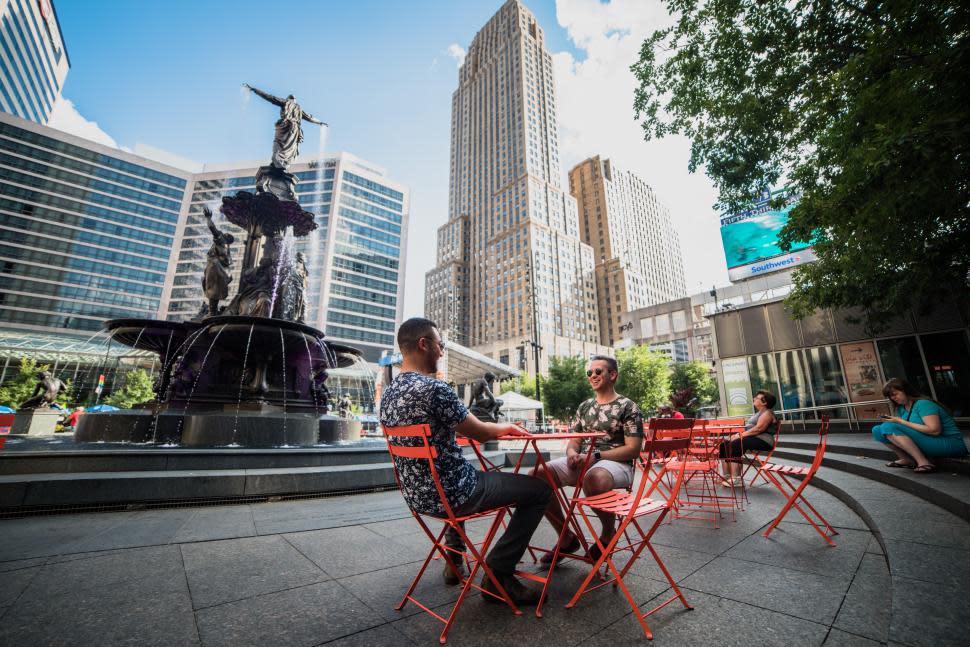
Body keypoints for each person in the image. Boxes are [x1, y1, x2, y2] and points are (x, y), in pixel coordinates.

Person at [380, 318, 551, 605]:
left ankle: (454, 559)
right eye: (440, 345)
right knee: (539, 490)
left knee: (455, 474)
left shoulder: (388, 395)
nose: (442, 352)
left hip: (418, 496)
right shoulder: (435, 389)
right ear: (424, 345)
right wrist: (506, 428)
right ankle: (499, 574)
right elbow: (482, 433)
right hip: (455, 493)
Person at [533, 355, 644, 563]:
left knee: (594, 478)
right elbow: (574, 442)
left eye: (598, 371)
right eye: (589, 372)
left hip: (618, 464)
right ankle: (566, 538)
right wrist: (572, 454)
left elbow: (633, 450)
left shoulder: (629, 406)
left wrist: (595, 456)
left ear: (612, 375)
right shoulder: (584, 407)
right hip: (587, 460)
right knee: (537, 475)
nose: (592, 375)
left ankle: (607, 534)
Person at [872, 378, 967, 473]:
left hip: (949, 443)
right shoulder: (902, 408)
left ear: (906, 390)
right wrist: (894, 421)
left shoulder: (923, 404)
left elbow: (934, 430)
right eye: (890, 396)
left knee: (888, 427)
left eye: (895, 394)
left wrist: (901, 422)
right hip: (929, 441)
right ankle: (906, 459)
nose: (893, 398)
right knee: (877, 430)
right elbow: (907, 428)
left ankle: (923, 462)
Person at [719, 390, 778, 487]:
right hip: (754, 438)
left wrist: (740, 435)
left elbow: (758, 429)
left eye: (757, 398)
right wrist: (737, 435)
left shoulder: (767, 413)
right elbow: (750, 429)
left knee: (737, 443)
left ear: (764, 402)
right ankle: (726, 475)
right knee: (724, 444)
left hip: (764, 441)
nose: (754, 399)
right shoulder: (760, 413)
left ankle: (736, 479)